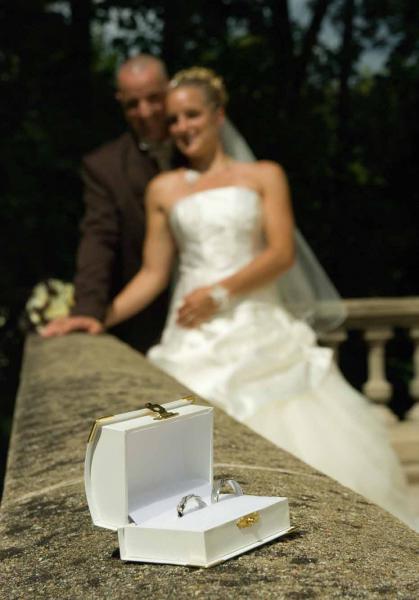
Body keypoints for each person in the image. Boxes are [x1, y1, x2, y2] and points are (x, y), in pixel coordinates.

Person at [43, 67, 415, 528]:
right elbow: (152, 274)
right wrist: (97, 317)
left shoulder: (264, 175)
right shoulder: (164, 189)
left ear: (218, 115)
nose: (182, 127)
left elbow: (281, 253)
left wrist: (220, 294)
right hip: (190, 337)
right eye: (174, 119)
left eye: (192, 115)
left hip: (258, 325)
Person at [42, 54, 172, 352]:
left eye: (154, 98)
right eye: (133, 104)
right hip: (146, 319)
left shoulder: (204, 148)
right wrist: (87, 309)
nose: (145, 112)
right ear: (120, 102)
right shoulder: (105, 167)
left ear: (170, 90)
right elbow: (99, 238)